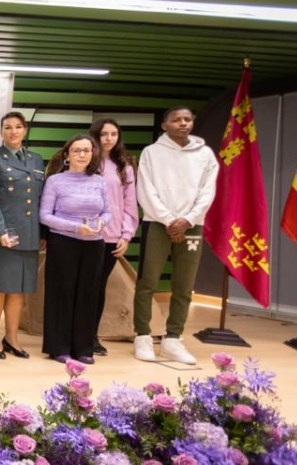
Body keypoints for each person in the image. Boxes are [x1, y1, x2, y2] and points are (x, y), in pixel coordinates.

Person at [133, 107, 219, 364]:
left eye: (187, 119)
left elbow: (208, 191)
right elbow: (145, 189)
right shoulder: (151, 153)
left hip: (192, 224)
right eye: (176, 120)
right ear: (164, 125)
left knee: (184, 285)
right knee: (147, 282)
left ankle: (173, 339)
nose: (183, 123)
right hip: (158, 223)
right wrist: (170, 220)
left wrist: (188, 219)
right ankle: (143, 336)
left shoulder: (205, 154)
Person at [0, 111, 45, 360]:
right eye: (8, 127)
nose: (13, 131)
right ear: (1, 132)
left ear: (25, 130)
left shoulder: (36, 160)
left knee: (18, 291)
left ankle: (12, 338)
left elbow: (41, 200)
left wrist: (43, 232)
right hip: (2, 236)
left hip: (29, 235)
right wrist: (1, 232)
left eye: (18, 127)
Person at [39, 135, 110, 364]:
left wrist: (101, 223)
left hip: (94, 244)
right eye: (77, 150)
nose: (82, 154)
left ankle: (84, 348)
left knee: (88, 295)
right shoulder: (55, 181)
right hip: (64, 243)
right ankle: (59, 347)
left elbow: (107, 212)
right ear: (67, 154)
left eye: (87, 151)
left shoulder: (99, 181)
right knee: (63, 293)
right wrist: (76, 228)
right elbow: (45, 216)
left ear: (92, 154)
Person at [88, 118, 138, 356]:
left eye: (114, 134)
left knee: (97, 288)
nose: (109, 138)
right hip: (83, 234)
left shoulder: (124, 166)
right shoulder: (85, 159)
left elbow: (130, 204)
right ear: (95, 136)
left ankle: (91, 335)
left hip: (110, 236)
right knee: (82, 287)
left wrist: (126, 235)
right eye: (104, 134)